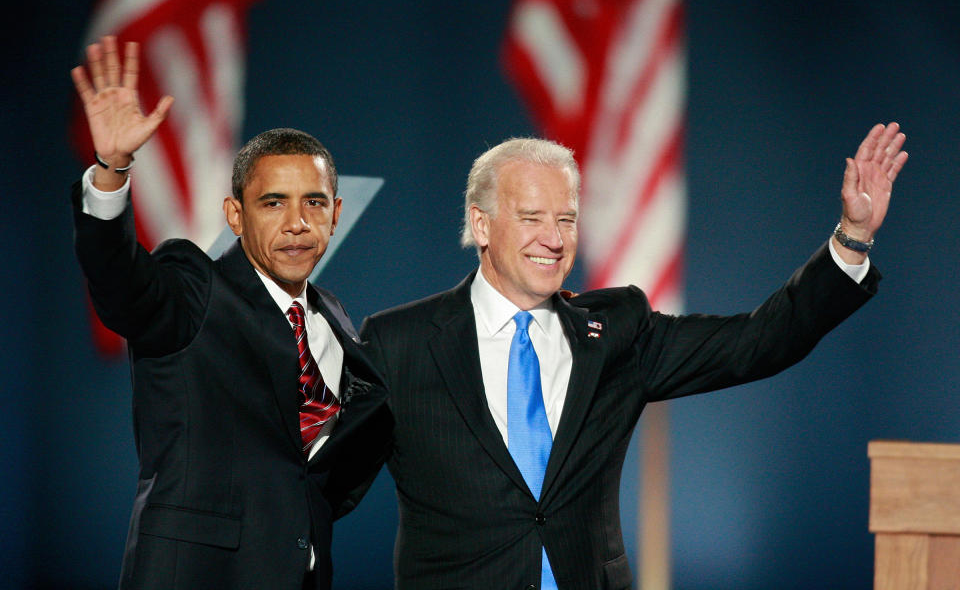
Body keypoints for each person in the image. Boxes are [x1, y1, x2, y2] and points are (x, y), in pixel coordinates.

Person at [360, 126, 906, 589]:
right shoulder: (400, 341)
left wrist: (852, 237)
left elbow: (758, 342)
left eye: (567, 219)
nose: (553, 239)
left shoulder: (617, 332)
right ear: (481, 225)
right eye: (531, 218)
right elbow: (325, 478)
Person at [71, 36, 392, 590]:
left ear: (335, 214)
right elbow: (122, 286)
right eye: (273, 203)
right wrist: (111, 169)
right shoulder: (196, 288)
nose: (297, 222)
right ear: (235, 216)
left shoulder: (330, 317)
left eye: (314, 202)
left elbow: (327, 458)